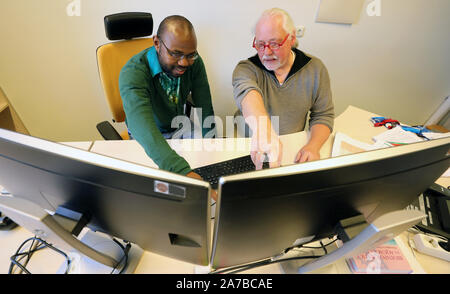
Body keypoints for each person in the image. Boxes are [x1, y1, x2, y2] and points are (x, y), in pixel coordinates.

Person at [232, 8, 334, 169]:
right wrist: (263, 130)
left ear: (291, 38)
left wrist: (313, 146)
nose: (266, 52)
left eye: (274, 43)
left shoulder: (315, 69)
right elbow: (248, 93)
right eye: (260, 44)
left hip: (291, 147)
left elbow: (323, 115)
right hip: (247, 144)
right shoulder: (245, 69)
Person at [119, 15, 215, 180]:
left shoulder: (195, 63)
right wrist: (183, 171)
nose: (184, 62)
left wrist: (214, 150)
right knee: (161, 184)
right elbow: (145, 130)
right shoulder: (133, 72)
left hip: (180, 127)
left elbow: (205, 108)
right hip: (149, 133)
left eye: (190, 55)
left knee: (207, 165)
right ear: (157, 43)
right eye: (176, 54)